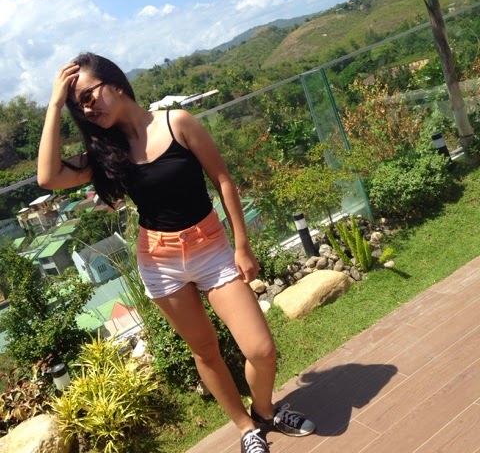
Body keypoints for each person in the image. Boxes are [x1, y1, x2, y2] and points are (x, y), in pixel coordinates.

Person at [38, 52, 315, 453]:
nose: (87, 108)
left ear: (115, 84)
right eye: (77, 106)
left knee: (261, 349)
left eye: (87, 96)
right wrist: (53, 105)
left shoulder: (177, 122)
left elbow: (222, 179)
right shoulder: (106, 154)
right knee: (205, 351)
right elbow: (48, 177)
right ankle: (245, 428)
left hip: (212, 250)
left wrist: (242, 245)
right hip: (160, 264)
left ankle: (265, 410)